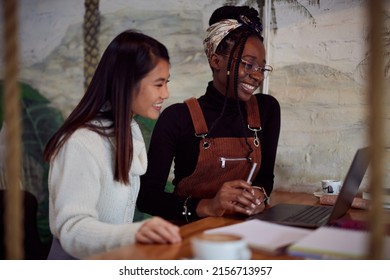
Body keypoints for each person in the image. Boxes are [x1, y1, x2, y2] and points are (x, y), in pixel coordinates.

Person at [43, 30, 181, 259]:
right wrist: (134, 234)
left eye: (167, 82)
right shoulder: (81, 142)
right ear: (127, 83)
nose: (166, 93)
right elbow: (73, 228)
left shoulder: (129, 131)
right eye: (158, 84)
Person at [137, 6, 280, 224]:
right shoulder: (177, 118)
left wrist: (259, 195)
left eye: (261, 68)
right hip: (190, 235)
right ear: (216, 61)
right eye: (248, 65)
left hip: (245, 230)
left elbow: (265, 178)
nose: (257, 76)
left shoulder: (266, 110)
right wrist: (208, 206)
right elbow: (148, 198)